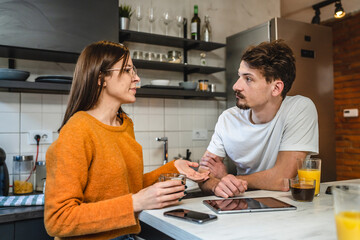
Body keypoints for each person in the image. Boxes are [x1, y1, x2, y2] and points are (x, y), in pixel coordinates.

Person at [44, 40, 209, 240]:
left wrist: (174, 168)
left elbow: (126, 188)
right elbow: (58, 220)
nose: (137, 78)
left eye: (134, 70)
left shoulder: (124, 124)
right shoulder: (78, 131)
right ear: (100, 78)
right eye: (128, 70)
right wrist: (135, 203)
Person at [199, 40, 319, 198]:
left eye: (248, 79)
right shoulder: (227, 119)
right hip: (242, 203)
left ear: (276, 88)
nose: (236, 86)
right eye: (239, 76)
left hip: (290, 208)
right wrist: (217, 185)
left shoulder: (300, 108)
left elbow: (283, 180)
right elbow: (203, 174)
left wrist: (229, 179)